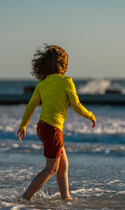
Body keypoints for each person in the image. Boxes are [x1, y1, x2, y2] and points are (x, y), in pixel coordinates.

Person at [17, 44, 96, 201]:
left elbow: (31, 106)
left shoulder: (42, 83)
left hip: (42, 127)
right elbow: (77, 106)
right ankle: (25, 198)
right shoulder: (66, 81)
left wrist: (23, 125)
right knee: (51, 168)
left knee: (63, 165)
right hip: (52, 129)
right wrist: (91, 116)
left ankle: (66, 198)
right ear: (64, 65)